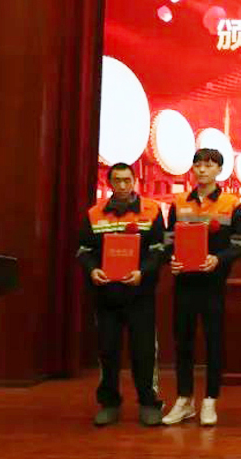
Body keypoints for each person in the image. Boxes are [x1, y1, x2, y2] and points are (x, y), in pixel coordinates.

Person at [161, 148, 241, 426]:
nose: (202, 170)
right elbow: (168, 241)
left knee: (213, 342)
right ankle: (184, 399)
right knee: (183, 341)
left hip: (213, 284)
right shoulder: (179, 202)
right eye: (198, 164)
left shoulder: (231, 203)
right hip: (184, 283)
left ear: (219, 170)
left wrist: (218, 259)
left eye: (209, 165)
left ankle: (210, 400)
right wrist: (172, 258)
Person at [77, 162, 166, 426]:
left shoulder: (151, 210)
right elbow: (84, 251)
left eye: (127, 180)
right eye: (117, 180)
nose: (123, 185)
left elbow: (159, 250)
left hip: (140, 294)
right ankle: (109, 403)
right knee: (107, 351)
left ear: (135, 181)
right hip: (106, 295)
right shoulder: (94, 214)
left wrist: (143, 272)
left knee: (144, 351)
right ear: (110, 183)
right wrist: (93, 270)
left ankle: (148, 403)